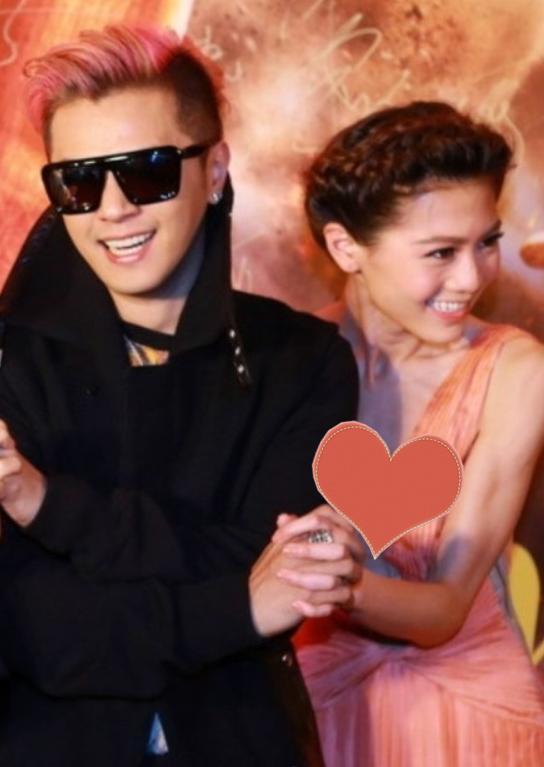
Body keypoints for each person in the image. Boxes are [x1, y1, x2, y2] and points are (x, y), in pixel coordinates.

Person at [0, 25, 364, 767]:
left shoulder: (303, 361)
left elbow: (274, 571)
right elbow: (33, 629)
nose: (112, 209)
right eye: (78, 182)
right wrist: (235, 607)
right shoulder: (14, 360)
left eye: (146, 173)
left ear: (216, 170)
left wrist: (47, 506)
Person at [272, 102, 544, 765]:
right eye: (441, 252)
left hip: (467, 719)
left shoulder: (516, 370)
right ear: (346, 247)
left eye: (486, 242)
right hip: (311, 709)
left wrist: (341, 582)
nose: (471, 277)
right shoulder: (283, 358)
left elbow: (445, 608)